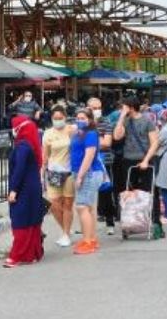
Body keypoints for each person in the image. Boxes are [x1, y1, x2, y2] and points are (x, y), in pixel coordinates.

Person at [113, 97, 164, 238]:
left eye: (124, 107)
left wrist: (146, 160)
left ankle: (156, 222)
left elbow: (154, 142)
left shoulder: (147, 121)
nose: (122, 109)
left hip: (145, 159)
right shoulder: (125, 121)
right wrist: (122, 117)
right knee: (130, 193)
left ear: (131, 107)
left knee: (151, 192)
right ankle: (131, 223)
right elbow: (117, 136)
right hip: (128, 160)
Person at [4, 115, 45, 267]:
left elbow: (19, 170)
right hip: (32, 187)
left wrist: (14, 190)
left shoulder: (22, 147)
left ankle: (17, 255)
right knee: (32, 221)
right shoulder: (31, 145)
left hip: (24, 189)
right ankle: (33, 253)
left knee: (20, 222)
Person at [70, 109, 105, 254]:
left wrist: (80, 176)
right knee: (88, 208)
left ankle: (88, 241)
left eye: (83, 118)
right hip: (81, 172)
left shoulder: (90, 134)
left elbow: (89, 156)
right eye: (77, 117)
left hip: (88, 173)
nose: (79, 120)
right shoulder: (78, 134)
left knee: (82, 207)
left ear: (90, 120)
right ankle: (91, 238)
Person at [41, 106, 75, 248]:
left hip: (69, 171)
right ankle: (65, 229)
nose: (58, 121)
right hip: (54, 171)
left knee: (67, 203)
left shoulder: (71, 130)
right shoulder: (48, 133)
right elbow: (45, 154)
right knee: (54, 204)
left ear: (65, 118)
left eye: (60, 118)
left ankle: (66, 234)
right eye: (55, 118)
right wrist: (42, 171)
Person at [88, 97, 116, 235]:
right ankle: (87, 225)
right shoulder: (84, 123)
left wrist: (92, 140)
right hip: (87, 163)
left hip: (104, 161)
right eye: (94, 108)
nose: (97, 111)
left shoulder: (106, 122)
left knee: (106, 192)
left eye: (99, 108)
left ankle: (110, 222)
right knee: (86, 195)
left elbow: (107, 143)